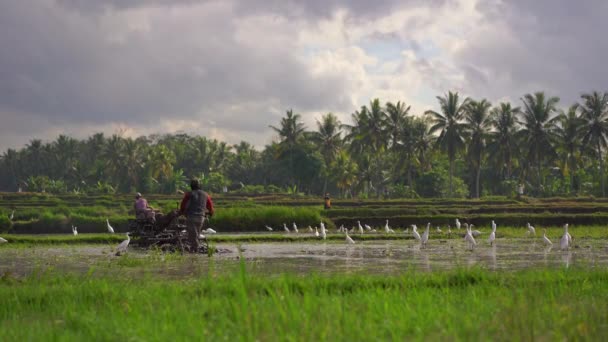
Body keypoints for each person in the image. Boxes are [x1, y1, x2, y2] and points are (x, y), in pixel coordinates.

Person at [179, 178, 215, 253]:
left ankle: (195, 251)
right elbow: (210, 206)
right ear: (199, 186)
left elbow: (183, 205)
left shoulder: (189, 194)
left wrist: (182, 212)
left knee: (193, 235)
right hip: (201, 218)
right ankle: (194, 249)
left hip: (191, 217)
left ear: (191, 186)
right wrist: (211, 213)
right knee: (196, 233)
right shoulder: (205, 194)